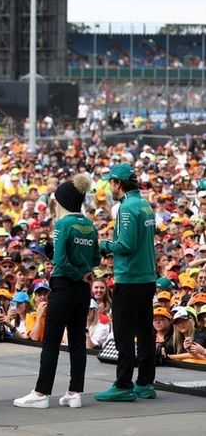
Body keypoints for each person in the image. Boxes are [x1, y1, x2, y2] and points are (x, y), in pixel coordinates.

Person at [14, 174, 99, 409]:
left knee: (51, 340)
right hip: (83, 290)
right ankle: (74, 393)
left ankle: (41, 393)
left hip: (63, 286)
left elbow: (60, 260)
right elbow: (96, 257)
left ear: (62, 201)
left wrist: (75, 273)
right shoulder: (89, 224)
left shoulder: (62, 224)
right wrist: (84, 273)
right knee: (77, 341)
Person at [95, 163, 157, 402]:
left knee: (123, 333)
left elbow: (126, 246)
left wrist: (104, 245)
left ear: (117, 183)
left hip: (130, 278)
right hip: (146, 277)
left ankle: (123, 384)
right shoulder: (144, 205)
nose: (109, 187)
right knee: (144, 333)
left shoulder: (126, 208)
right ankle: (145, 383)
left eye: (110, 182)